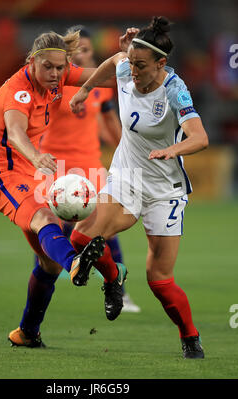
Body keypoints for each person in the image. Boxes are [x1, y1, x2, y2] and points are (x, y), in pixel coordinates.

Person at [69, 17, 209, 359]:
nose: (132, 70)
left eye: (141, 65)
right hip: (127, 178)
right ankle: (114, 278)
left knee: (159, 280)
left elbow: (200, 138)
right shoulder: (126, 68)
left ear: (161, 64)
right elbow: (112, 62)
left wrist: (171, 150)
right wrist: (86, 89)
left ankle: (190, 336)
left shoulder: (175, 90)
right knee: (81, 237)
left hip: (164, 189)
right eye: (131, 61)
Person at [0, 30, 127, 348]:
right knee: (48, 220)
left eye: (61, 68)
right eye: (48, 67)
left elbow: (106, 75)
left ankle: (27, 332)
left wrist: (126, 55)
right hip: (3, 176)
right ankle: (76, 263)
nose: (56, 74)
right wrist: (36, 156)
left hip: (31, 177)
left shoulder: (59, 78)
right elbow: (17, 133)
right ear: (32, 62)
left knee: (47, 262)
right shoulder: (17, 91)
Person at [36, 25, 140, 313]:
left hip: (90, 167)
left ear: (92, 51)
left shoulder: (101, 85)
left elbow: (109, 125)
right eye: (77, 50)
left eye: (87, 49)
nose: (82, 54)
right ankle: (45, 291)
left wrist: (130, 153)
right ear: (68, 54)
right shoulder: (54, 83)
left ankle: (118, 288)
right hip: (54, 168)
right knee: (51, 229)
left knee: (103, 228)